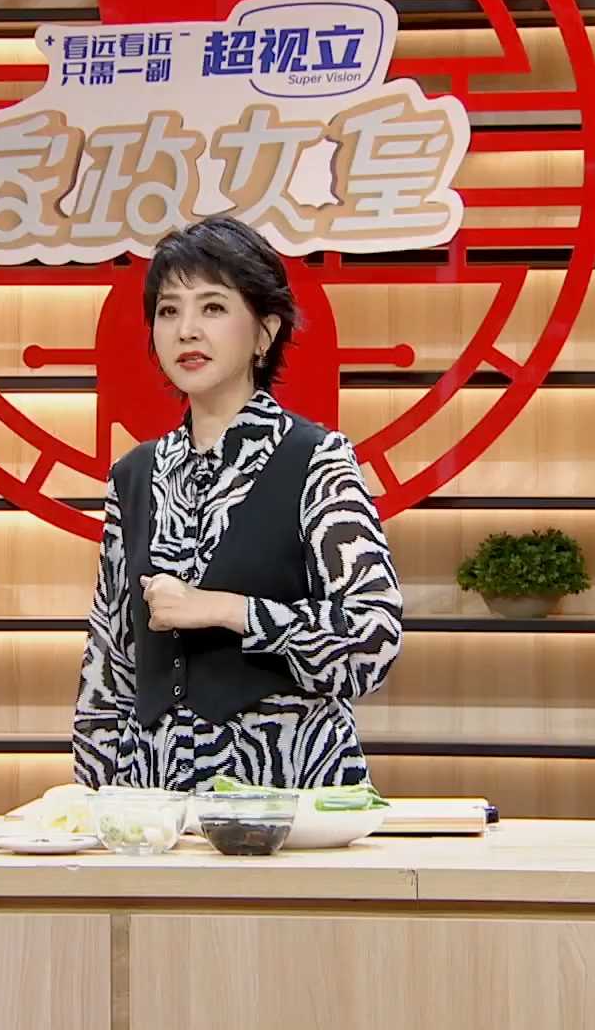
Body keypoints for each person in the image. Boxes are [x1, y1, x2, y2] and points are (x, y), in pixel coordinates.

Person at [71, 216, 405, 791]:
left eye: (213, 307)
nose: (186, 331)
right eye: (169, 311)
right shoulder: (134, 475)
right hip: (157, 803)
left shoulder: (316, 459)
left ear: (265, 333)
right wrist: (94, 805)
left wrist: (230, 610)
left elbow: (373, 640)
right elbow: (109, 668)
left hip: (288, 793)